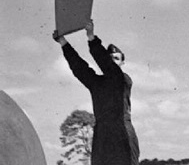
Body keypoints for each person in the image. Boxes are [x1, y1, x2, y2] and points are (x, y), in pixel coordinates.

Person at [53, 19, 140, 165]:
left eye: (116, 59)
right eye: (111, 58)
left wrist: (91, 37)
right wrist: (63, 43)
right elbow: (79, 68)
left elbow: (106, 65)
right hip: (102, 136)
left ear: (122, 63)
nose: (113, 61)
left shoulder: (123, 80)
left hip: (122, 132)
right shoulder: (97, 84)